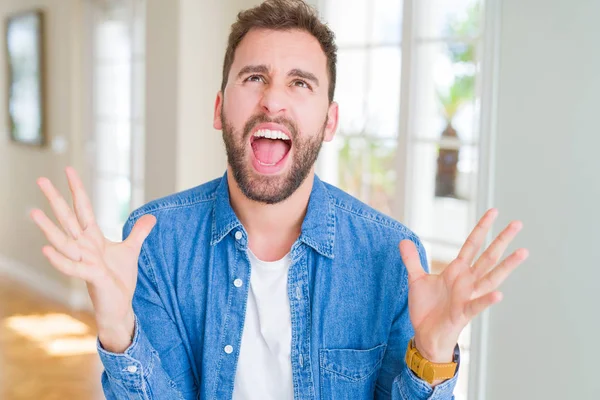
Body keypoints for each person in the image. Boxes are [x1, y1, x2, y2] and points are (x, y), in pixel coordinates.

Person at [30, 0, 528, 398]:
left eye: (300, 82)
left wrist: (435, 350)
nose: (273, 99)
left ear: (329, 122)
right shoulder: (155, 241)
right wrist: (118, 328)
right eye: (254, 77)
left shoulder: (391, 255)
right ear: (220, 109)